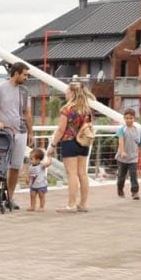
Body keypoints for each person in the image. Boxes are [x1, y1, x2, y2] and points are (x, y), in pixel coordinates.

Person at [0, 62, 33, 210]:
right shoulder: (0, 87)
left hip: (21, 132)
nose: (27, 77)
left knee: (15, 167)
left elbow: (27, 113)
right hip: (3, 133)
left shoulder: (25, 91)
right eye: (25, 74)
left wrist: (31, 132)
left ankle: (9, 198)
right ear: (16, 73)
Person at [47, 81, 92, 213]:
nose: (66, 93)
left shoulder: (66, 110)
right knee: (83, 174)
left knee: (72, 174)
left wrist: (53, 145)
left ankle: (71, 205)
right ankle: (83, 204)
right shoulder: (86, 110)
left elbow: (61, 129)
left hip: (69, 142)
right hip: (83, 143)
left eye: (67, 91)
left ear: (72, 93)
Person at [115, 108, 141, 200]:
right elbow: (121, 141)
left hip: (133, 158)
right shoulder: (121, 130)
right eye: (127, 118)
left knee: (133, 175)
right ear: (124, 118)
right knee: (121, 176)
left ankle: (135, 192)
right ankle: (120, 190)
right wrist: (122, 151)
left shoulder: (138, 130)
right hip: (122, 158)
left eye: (131, 118)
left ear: (134, 118)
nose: (129, 120)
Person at [27, 148, 51, 212]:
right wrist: (28, 179)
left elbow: (48, 164)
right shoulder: (31, 166)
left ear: (38, 160)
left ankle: (41, 206)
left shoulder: (41, 165)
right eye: (30, 158)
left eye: (32, 159)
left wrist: (49, 157)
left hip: (41, 184)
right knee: (32, 196)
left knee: (41, 196)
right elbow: (29, 174)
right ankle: (32, 206)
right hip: (33, 184)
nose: (30, 160)